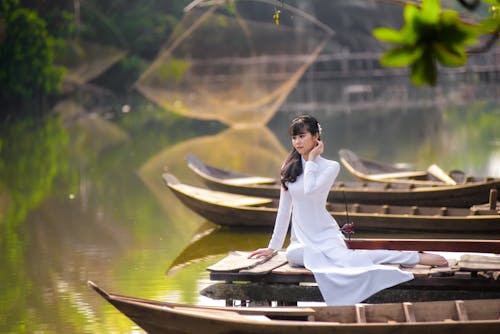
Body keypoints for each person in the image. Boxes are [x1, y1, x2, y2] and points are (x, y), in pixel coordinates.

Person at [248, 114, 448, 306]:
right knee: (293, 255)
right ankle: (329, 261)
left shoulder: (330, 167)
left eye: (302, 136)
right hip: (301, 240)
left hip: (325, 235)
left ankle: (414, 257)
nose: (297, 142)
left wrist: (310, 161)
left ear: (316, 137)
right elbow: (284, 210)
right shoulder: (289, 168)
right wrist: (273, 247)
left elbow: (309, 191)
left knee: (349, 259)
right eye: (294, 137)